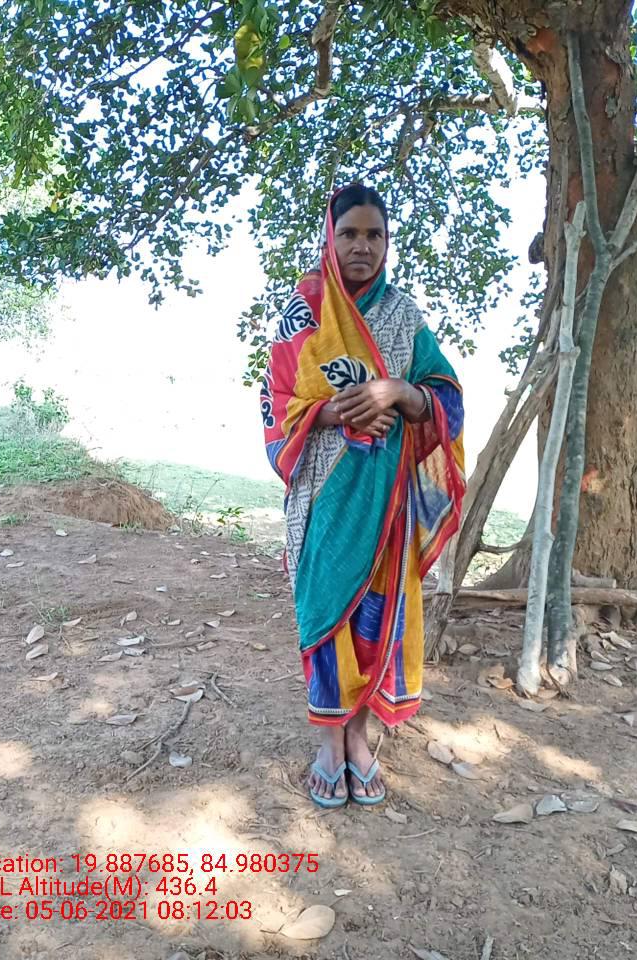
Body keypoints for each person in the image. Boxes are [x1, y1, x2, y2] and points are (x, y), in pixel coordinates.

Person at [261, 183, 465, 808]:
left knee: (376, 619)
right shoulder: (303, 312)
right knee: (327, 615)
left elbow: (448, 401)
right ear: (330, 236)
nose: (362, 246)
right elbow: (275, 403)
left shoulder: (404, 316)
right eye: (349, 233)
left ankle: (359, 738)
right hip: (322, 497)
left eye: (374, 234)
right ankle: (329, 743)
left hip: (387, 500)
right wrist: (333, 412)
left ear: (387, 242)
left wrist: (399, 393)